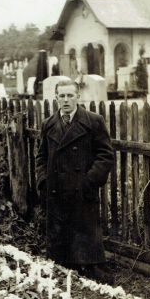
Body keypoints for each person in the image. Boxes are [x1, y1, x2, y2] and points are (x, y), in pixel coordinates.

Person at [35, 79, 114, 283]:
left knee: (85, 231)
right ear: (56, 98)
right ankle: (63, 269)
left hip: (82, 189)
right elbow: (41, 156)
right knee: (60, 238)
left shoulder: (93, 121)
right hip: (56, 189)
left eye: (70, 95)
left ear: (78, 96)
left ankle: (89, 268)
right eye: (62, 96)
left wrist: (90, 181)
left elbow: (105, 155)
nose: (66, 100)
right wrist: (44, 181)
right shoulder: (48, 124)